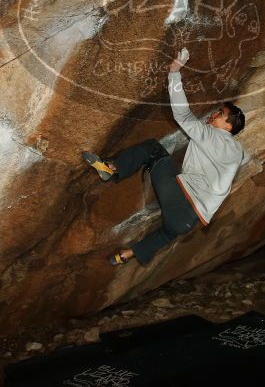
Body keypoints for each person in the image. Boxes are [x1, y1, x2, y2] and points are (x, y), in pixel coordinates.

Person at [82, 51, 247, 266]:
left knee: (153, 149)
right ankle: (125, 256)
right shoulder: (238, 152)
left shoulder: (212, 135)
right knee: (168, 232)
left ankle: (112, 168)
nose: (214, 114)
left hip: (181, 198)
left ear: (228, 127)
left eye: (219, 114)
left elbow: (183, 115)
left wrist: (174, 72)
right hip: (188, 221)